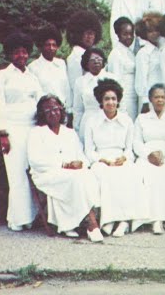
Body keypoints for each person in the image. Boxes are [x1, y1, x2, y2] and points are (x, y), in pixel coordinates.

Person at [27, 95, 104, 240]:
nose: (53, 113)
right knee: (74, 179)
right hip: (46, 173)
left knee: (87, 175)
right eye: (48, 110)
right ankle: (91, 223)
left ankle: (71, 224)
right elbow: (35, 160)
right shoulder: (36, 132)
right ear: (42, 114)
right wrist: (64, 164)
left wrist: (80, 163)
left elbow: (81, 156)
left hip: (71, 173)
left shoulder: (69, 132)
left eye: (56, 109)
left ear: (61, 110)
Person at [0, 31, 41, 232]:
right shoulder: (2, 76)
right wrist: (3, 133)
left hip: (32, 128)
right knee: (17, 174)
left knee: (32, 172)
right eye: (17, 52)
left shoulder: (32, 77)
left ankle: (32, 217)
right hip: (12, 130)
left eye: (24, 52)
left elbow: (40, 101)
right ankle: (18, 219)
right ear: (10, 54)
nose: (21, 56)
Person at [84, 78, 147, 236]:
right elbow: (89, 150)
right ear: (101, 101)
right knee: (105, 175)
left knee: (129, 173)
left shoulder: (126, 120)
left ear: (118, 100)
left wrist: (124, 158)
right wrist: (100, 159)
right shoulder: (92, 121)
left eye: (113, 98)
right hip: (101, 159)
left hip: (120, 158)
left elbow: (129, 148)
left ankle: (124, 221)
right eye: (107, 99)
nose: (110, 102)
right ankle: (109, 220)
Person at [133, 84, 165, 234]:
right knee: (144, 173)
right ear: (150, 99)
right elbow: (136, 142)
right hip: (146, 155)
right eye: (156, 97)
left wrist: (163, 153)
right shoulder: (142, 118)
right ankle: (153, 219)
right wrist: (148, 155)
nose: (159, 100)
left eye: (162, 97)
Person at [134, 14, 165, 117]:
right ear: (144, 33)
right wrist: (145, 101)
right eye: (150, 31)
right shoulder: (143, 53)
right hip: (149, 97)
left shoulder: (161, 49)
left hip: (161, 95)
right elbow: (141, 79)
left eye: (156, 30)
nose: (154, 34)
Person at [29, 23, 72, 111]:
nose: (51, 48)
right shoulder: (33, 67)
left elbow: (67, 89)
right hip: (45, 112)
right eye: (47, 45)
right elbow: (35, 94)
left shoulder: (61, 64)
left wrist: (68, 108)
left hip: (63, 110)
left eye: (54, 45)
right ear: (41, 46)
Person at [65, 11, 104, 104]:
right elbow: (76, 87)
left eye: (92, 33)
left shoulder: (93, 54)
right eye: (86, 33)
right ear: (78, 34)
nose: (89, 37)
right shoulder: (75, 57)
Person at [71, 47, 109, 135]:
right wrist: (77, 128)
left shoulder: (112, 78)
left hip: (108, 120)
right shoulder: (80, 82)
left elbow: (121, 106)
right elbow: (78, 109)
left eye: (99, 59)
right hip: (88, 121)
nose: (96, 61)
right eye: (92, 60)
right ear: (86, 63)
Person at [106, 17, 138, 118]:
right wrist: (120, 106)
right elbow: (116, 82)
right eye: (125, 34)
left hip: (133, 98)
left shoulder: (130, 53)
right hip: (124, 101)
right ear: (118, 34)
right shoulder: (116, 54)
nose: (129, 37)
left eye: (131, 34)